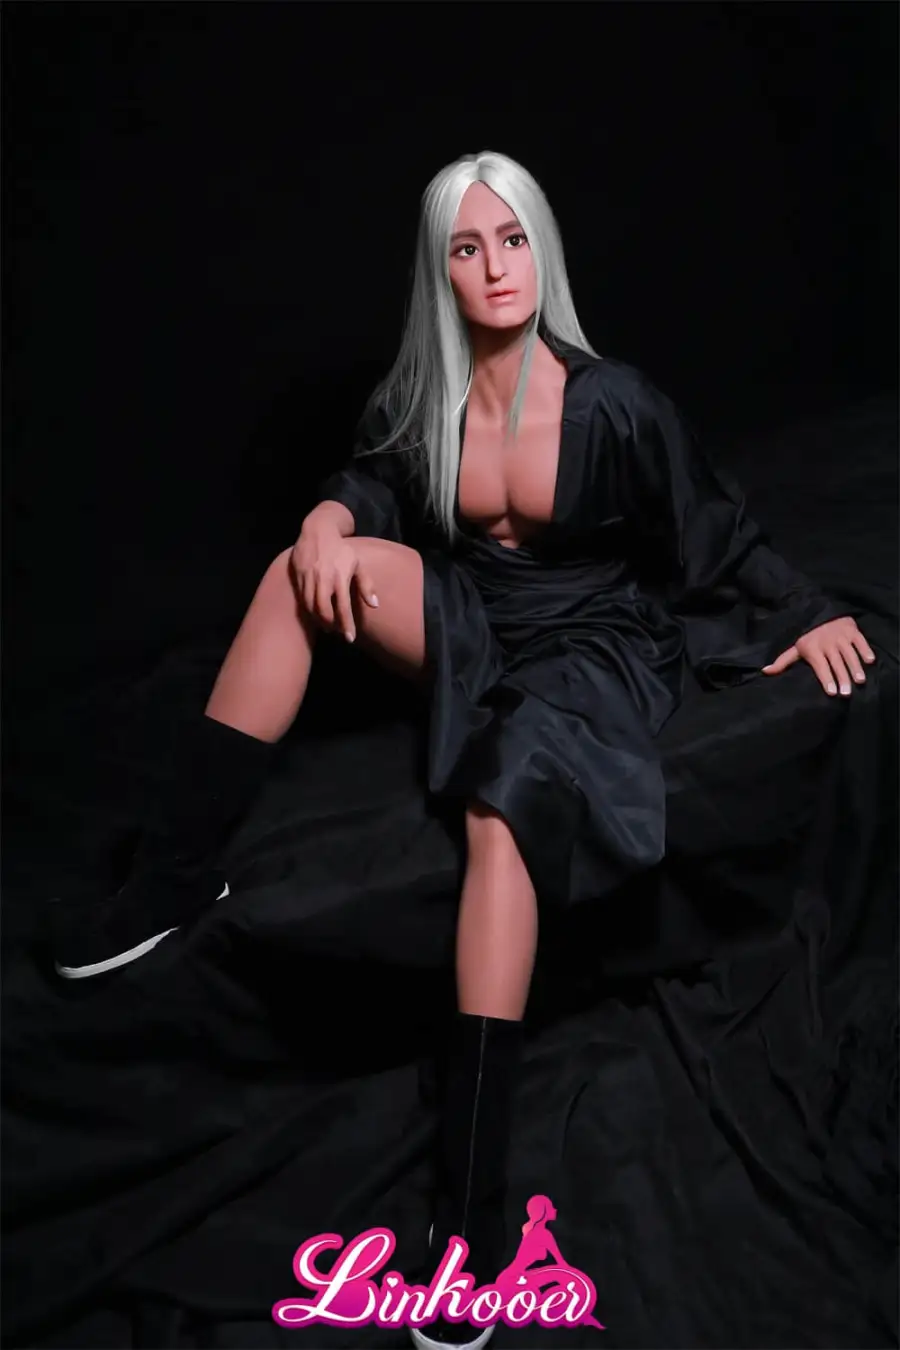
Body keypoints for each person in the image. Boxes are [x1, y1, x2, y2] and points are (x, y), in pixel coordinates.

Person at [49, 150, 875, 1350]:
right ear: (440, 271)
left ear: (545, 252)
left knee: (503, 809)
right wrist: (327, 518)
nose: (497, 268)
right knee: (296, 571)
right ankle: (177, 878)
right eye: (468, 248)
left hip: (592, 646)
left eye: (515, 240)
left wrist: (807, 613)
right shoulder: (426, 401)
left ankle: (475, 1213)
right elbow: (374, 485)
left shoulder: (613, 401)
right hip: (478, 617)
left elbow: (717, 531)